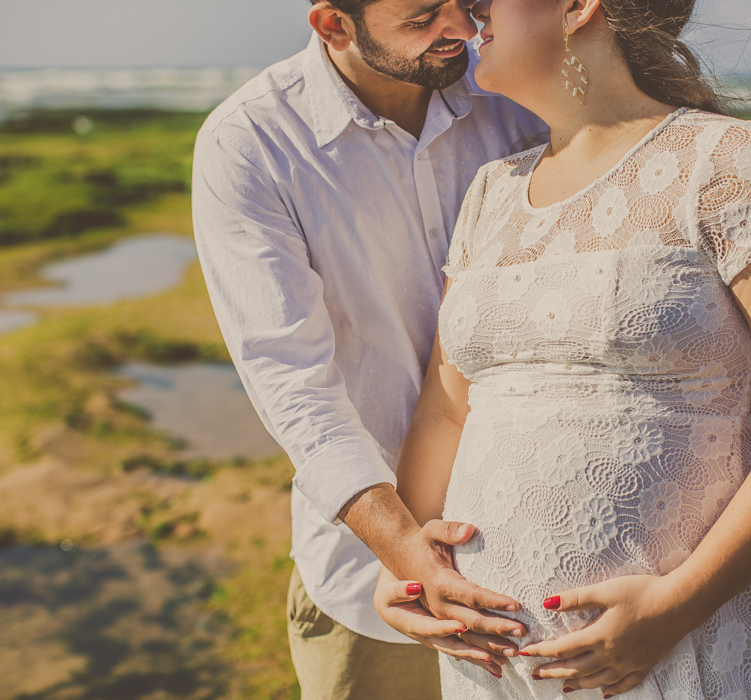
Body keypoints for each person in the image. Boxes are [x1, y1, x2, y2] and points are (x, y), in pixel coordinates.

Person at [374, 0, 751, 698]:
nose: (470, 7)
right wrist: (404, 563)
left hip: (688, 639)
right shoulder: (491, 190)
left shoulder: (735, 160)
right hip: (494, 662)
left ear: (580, 6)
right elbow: (448, 408)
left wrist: (679, 605)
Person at [190, 1, 552, 697]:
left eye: (462, 1)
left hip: (544, 551)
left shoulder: (518, 97)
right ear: (334, 25)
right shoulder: (250, 143)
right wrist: (405, 553)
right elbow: (292, 383)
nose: (462, 29)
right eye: (423, 17)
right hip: (374, 589)